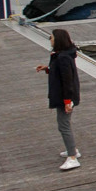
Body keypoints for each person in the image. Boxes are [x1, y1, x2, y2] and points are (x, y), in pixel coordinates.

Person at [36, 29, 81, 170]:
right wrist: (48, 69)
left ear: (58, 40)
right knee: (63, 124)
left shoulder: (63, 58)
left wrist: (67, 101)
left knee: (63, 125)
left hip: (65, 96)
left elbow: (67, 80)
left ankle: (73, 157)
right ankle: (72, 149)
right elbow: (60, 71)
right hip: (65, 96)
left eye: (52, 37)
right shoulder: (62, 55)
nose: (50, 39)